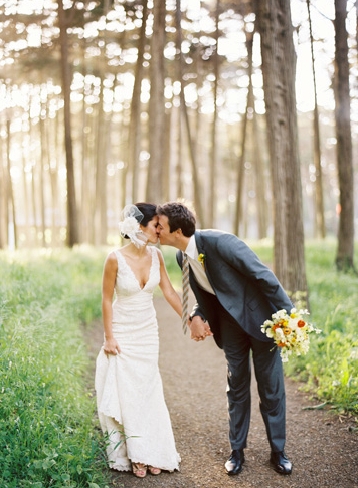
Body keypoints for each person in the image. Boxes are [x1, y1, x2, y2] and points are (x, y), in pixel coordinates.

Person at [156, 201, 293, 477]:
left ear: (178, 231)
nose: (156, 230)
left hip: (262, 320)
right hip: (230, 327)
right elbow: (205, 292)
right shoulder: (182, 257)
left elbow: (262, 275)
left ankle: (278, 451)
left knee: (270, 387)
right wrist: (196, 313)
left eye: (160, 226)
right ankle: (237, 451)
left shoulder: (221, 242)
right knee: (236, 385)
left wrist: (288, 318)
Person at [95, 203, 182, 478]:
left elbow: (169, 291)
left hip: (148, 332)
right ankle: (135, 453)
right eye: (155, 225)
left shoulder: (157, 256)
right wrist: (109, 337)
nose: (159, 230)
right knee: (128, 392)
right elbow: (106, 300)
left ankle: (153, 448)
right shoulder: (114, 259)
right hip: (123, 332)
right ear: (138, 226)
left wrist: (191, 319)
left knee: (147, 389)